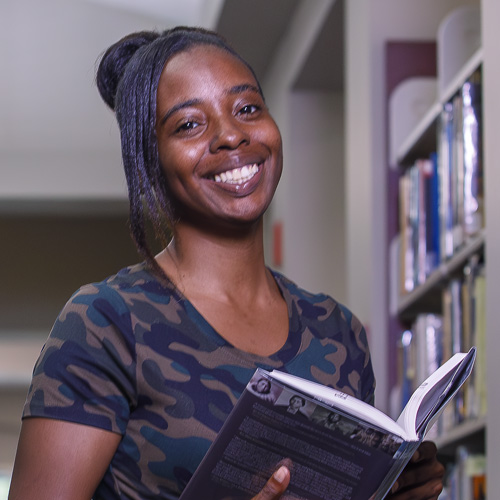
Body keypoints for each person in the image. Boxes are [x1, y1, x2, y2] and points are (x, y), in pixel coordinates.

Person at [8, 26, 444, 500]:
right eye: (189, 125)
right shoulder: (107, 322)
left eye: (248, 108)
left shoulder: (339, 332)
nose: (232, 135)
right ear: (150, 161)